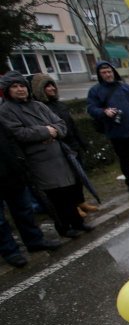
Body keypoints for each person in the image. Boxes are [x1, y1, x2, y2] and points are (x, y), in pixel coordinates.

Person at [1, 71, 90, 237]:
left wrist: (54, 131)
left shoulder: (38, 105)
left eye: (22, 86)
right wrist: (45, 131)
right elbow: (18, 133)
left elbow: (60, 124)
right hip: (38, 160)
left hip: (59, 156)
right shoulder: (6, 110)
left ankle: (78, 222)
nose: (20, 89)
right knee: (55, 196)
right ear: (7, 90)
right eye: (15, 86)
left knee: (69, 190)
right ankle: (64, 227)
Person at [31, 73, 97, 217]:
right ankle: (73, 207)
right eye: (47, 86)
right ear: (40, 90)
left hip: (72, 145)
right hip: (59, 148)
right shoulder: (39, 108)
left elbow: (71, 125)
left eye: (52, 85)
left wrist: (81, 142)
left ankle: (80, 201)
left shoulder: (60, 105)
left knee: (78, 176)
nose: (51, 89)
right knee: (68, 180)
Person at [87, 61, 129, 194]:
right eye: (104, 73)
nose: (107, 75)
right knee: (124, 160)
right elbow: (91, 108)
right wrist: (104, 112)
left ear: (114, 72)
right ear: (100, 75)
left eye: (109, 72)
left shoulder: (125, 87)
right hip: (115, 132)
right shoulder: (95, 91)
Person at [0, 119, 60, 267]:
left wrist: (19, 162)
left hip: (12, 174)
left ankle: (35, 241)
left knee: (24, 210)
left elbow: (11, 140)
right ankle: (11, 252)